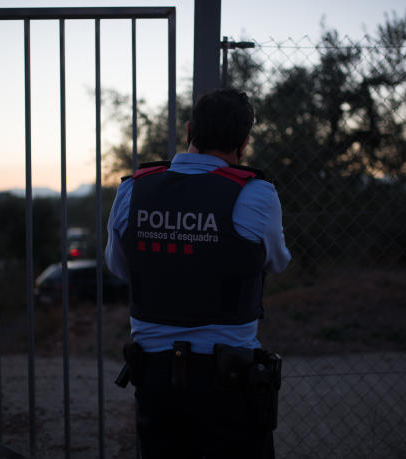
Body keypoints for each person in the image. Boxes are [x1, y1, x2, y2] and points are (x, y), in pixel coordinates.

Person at [106, 88, 291, 459]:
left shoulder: (133, 189)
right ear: (244, 142)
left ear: (190, 131)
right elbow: (277, 262)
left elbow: (118, 265)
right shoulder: (257, 194)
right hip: (230, 381)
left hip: (155, 378)